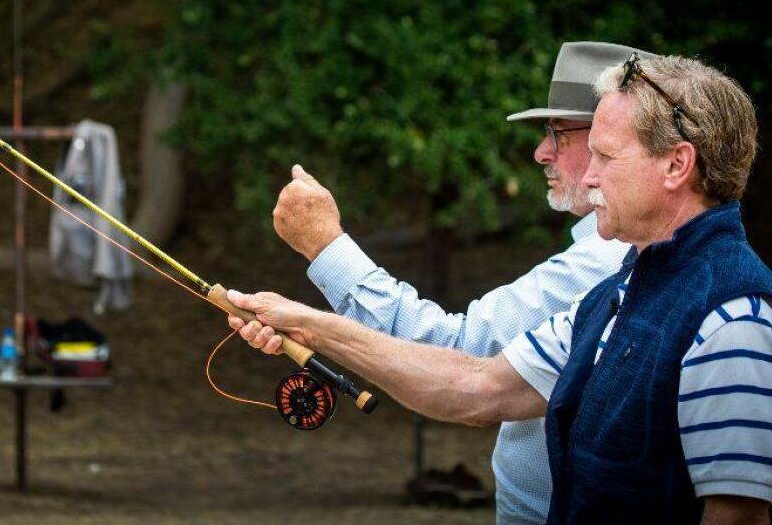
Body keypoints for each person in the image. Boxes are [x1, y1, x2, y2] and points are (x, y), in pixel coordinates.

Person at [229, 54, 772, 524]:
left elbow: (737, 516)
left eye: (604, 155)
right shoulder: (620, 293)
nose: (586, 175)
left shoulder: (735, 317)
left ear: (675, 166)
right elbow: (474, 387)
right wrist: (312, 326)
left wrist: (325, 263)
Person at [270, 41, 643, 523]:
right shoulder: (609, 253)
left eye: (558, 133)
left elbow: (461, 356)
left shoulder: (602, 262)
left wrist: (325, 247)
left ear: (609, 141)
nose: (540, 152)